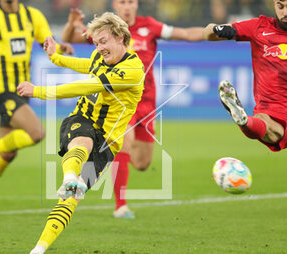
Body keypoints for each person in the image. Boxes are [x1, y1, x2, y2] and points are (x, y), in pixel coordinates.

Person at [62, 0, 204, 218]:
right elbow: (69, 39)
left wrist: (217, 32)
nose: (127, 6)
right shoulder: (107, 31)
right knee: (123, 144)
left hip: (147, 102)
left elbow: (185, 34)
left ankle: (93, 173)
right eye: (122, 2)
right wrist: (72, 24)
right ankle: (120, 205)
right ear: (115, 6)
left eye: (130, 2)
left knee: (143, 163)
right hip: (119, 102)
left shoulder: (150, 26)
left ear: (136, 5)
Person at [17, 12, 144, 254]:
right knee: (82, 143)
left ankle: (39, 249)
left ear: (120, 38)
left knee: (70, 201)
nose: (99, 48)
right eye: (96, 43)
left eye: (104, 41)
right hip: (81, 120)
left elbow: (89, 84)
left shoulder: (133, 70)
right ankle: (68, 179)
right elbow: (85, 65)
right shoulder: (100, 56)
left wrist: (39, 91)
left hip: (107, 143)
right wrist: (56, 58)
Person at [0, 0, 73, 217]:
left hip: (22, 90)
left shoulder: (33, 16)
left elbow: (47, 43)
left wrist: (59, 47)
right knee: (37, 133)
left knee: (9, 153)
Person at [203, 0, 287, 152]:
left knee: (273, 132)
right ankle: (244, 120)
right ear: (274, 4)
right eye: (280, 7)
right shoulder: (260, 27)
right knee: (270, 128)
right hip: (271, 109)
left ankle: (247, 122)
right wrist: (219, 29)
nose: (285, 13)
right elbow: (208, 33)